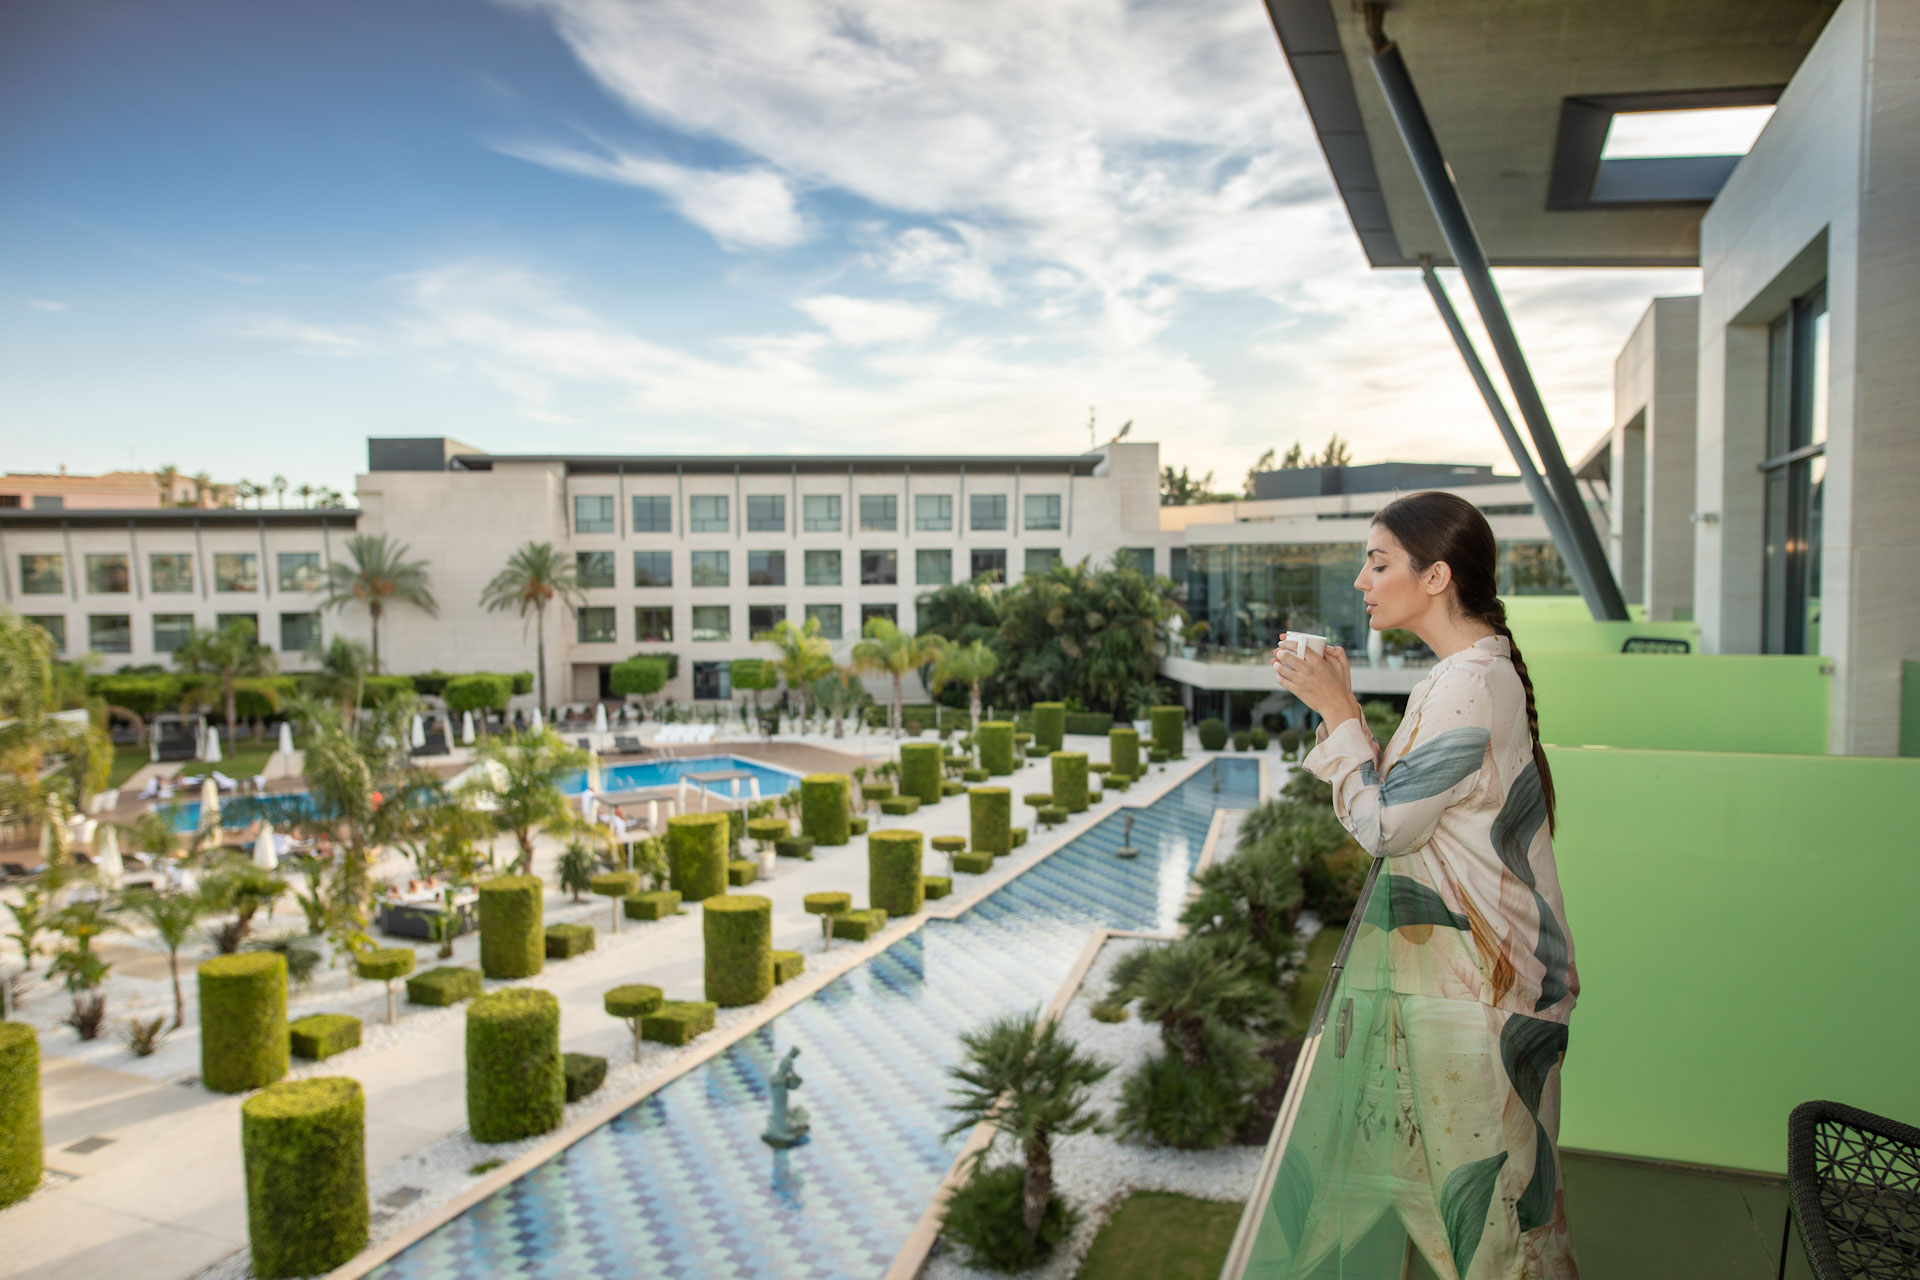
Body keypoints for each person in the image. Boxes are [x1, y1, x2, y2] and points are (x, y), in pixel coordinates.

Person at [1271, 490, 1580, 1279]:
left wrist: (1339, 712)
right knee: (1509, 1216)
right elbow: (1402, 811)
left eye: (1378, 563)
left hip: (1482, 994)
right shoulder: (1468, 678)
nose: (1362, 582)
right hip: (1483, 985)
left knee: (1495, 1231)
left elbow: (1382, 829)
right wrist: (1342, 718)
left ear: (1436, 575)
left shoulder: (1467, 686)